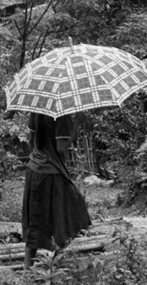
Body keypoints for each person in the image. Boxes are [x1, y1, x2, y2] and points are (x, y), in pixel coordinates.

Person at [22, 112, 92, 269]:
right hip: (50, 173)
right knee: (72, 211)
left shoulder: (36, 110)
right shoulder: (61, 116)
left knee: (36, 219)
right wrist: (76, 125)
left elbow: (31, 141)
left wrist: (39, 156)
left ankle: (31, 267)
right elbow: (61, 147)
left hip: (34, 169)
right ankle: (56, 258)